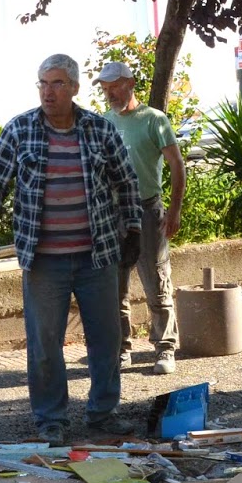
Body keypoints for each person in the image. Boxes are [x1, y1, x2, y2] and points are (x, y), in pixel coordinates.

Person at [0, 54, 143, 445]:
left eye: (57, 84)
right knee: (45, 343)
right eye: (42, 84)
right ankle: (51, 418)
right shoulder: (19, 130)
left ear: (74, 88)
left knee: (106, 339)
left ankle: (102, 412)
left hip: (96, 256)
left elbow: (127, 181)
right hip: (43, 260)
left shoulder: (99, 130)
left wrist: (133, 229)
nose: (48, 92)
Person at [93, 60, 184, 376]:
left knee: (156, 280)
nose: (109, 93)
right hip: (112, 214)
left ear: (130, 83)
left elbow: (177, 166)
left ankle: (165, 348)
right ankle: (121, 351)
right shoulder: (103, 122)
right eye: (105, 88)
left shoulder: (153, 120)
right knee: (114, 288)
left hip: (146, 210)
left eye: (114, 86)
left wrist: (174, 210)